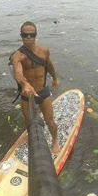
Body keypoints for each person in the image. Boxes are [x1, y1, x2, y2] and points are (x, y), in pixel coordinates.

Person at [10, 21, 60, 155]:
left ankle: (55, 140)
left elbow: (49, 65)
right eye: (25, 35)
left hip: (43, 92)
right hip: (27, 95)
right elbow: (17, 72)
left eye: (32, 34)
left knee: (49, 120)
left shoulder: (44, 51)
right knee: (27, 119)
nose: (29, 37)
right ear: (21, 35)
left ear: (36, 35)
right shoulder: (18, 56)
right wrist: (25, 84)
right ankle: (28, 134)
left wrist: (54, 78)